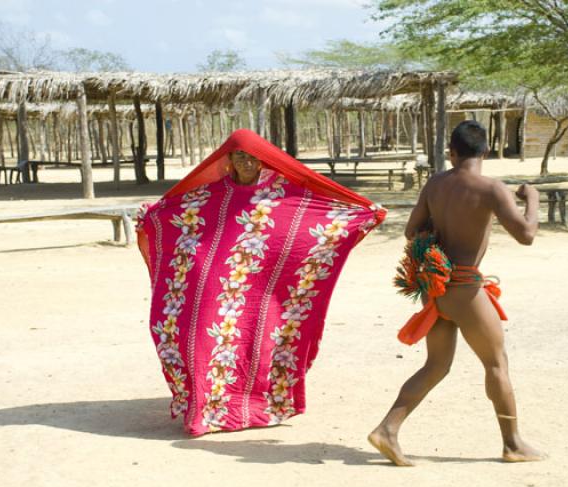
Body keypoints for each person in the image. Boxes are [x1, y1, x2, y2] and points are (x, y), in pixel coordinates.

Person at [136, 129, 385, 436]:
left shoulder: (283, 193)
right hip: (217, 287)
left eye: (253, 156)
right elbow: (181, 213)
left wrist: (362, 215)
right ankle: (208, 409)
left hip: (265, 288)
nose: (247, 162)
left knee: (260, 343)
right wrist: (152, 215)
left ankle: (260, 405)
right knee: (203, 341)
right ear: (228, 159)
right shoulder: (214, 193)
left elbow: (314, 218)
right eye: (240, 155)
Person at [368, 120, 544, 466]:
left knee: (436, 366)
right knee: (497, 363)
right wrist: (532, 199)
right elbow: (527, 234)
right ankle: (512, 444)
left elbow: (411, 231)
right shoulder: (490, 188)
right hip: (465, 288)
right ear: (486, 152)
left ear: (451, 153)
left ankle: (387, 429)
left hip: (436, 287)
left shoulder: (435, 185)